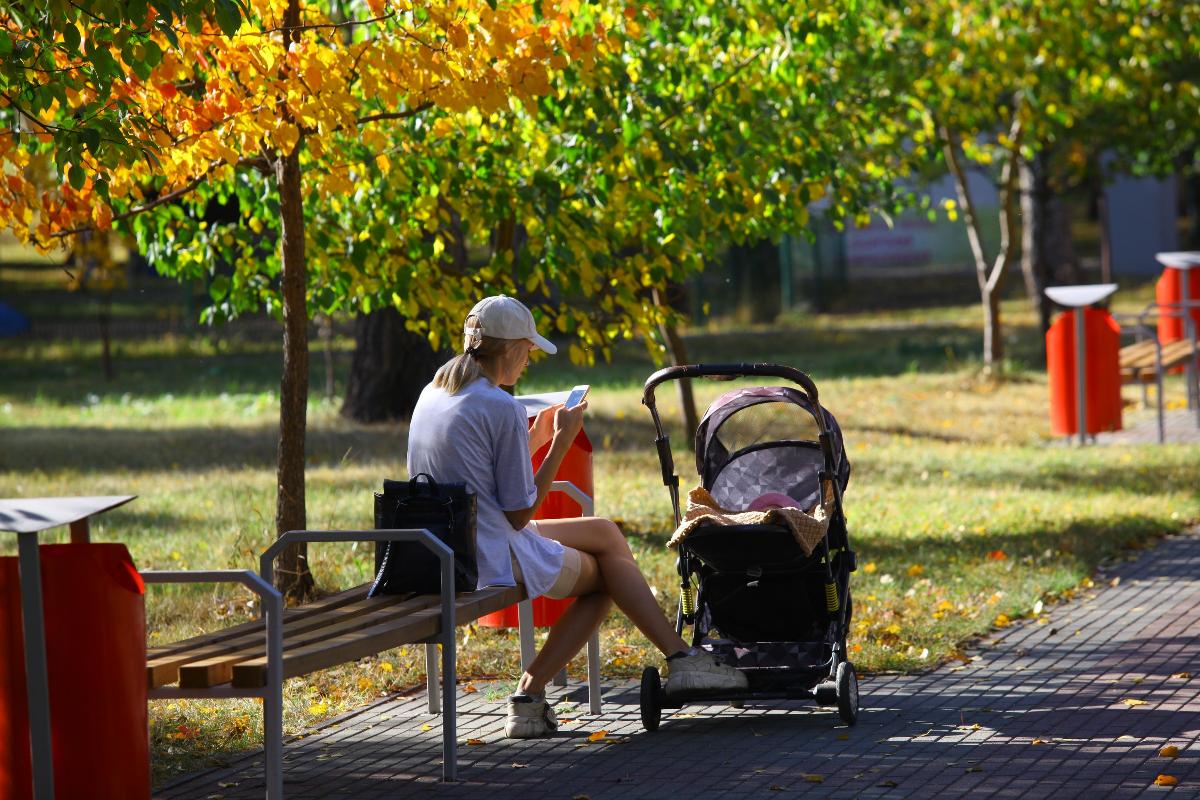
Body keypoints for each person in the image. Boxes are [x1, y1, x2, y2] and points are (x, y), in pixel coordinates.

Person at [407, 295, 747, 739]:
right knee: (608, 578)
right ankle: (533, 695)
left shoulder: (434, 391)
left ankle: (680, 657)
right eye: (528, 352)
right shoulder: (500, 406)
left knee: (605, 532)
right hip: (489, 553)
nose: (528, 362)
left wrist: (535, 437)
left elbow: (477, 475)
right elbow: (519, 511)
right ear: (509, 350)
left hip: (446, 543)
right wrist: (560, 442)